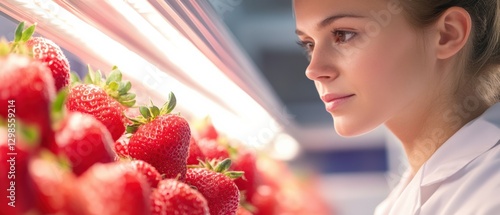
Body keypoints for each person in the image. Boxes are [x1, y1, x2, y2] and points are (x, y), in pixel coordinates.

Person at [293, 0, 500, 214]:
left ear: (447, 34)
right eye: (309, 44)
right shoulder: (411, 190)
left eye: (343, 34)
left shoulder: (491, 195)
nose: (313, 69)